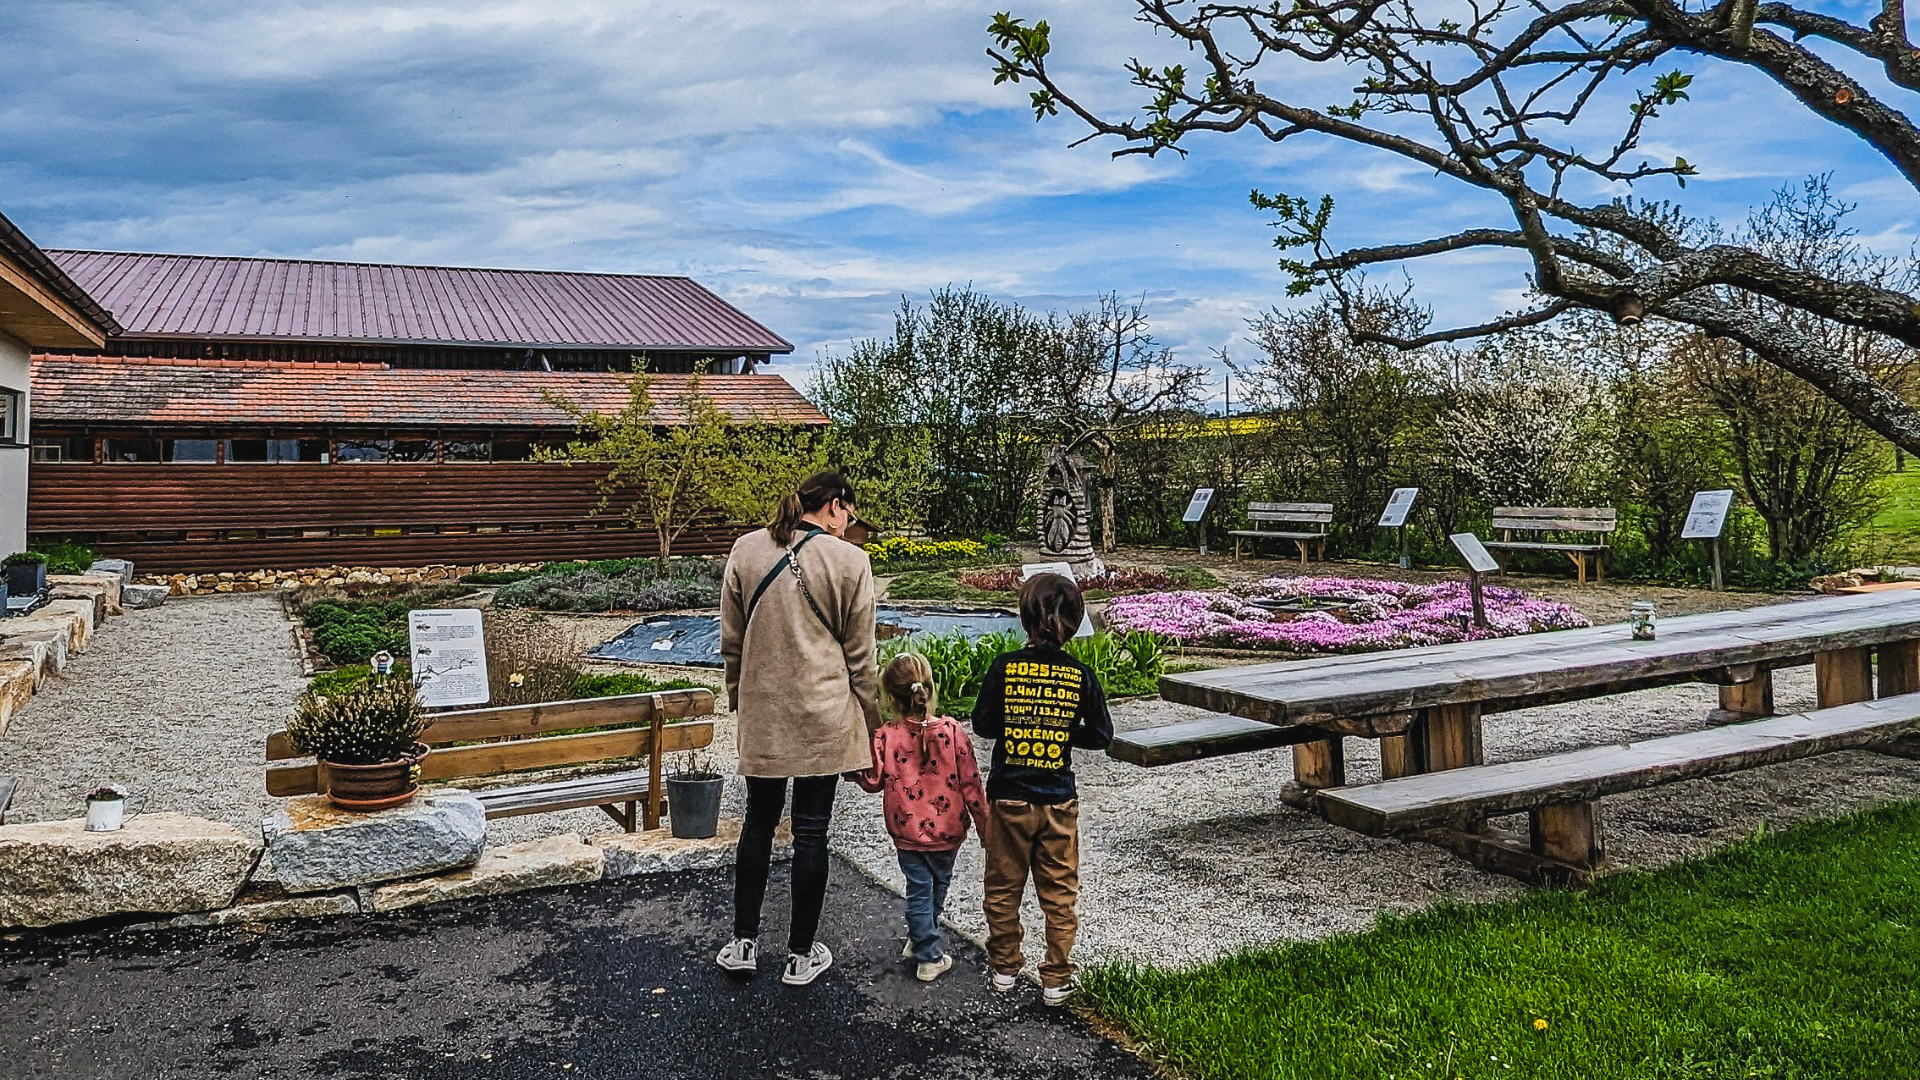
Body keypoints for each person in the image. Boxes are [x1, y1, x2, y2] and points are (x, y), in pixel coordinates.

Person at [715, 470, 879, 986]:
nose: (848, 524)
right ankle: (799, 956)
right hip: (824, 715)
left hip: (765, 714)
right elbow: (862, 659)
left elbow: (731, 640)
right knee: (812, 830)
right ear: (834, 505)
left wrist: (740, 699)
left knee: (757, 824)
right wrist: (873, 724)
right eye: (849, 514)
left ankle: (743, 943)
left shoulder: (745, 550)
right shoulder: (852, 562)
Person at [971, 572, 1113, 1006]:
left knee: (1003, 887)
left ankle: (1004, 968)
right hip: (1058, 801)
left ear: (1025, 619)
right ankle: (1055, 976)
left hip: (1010, 797)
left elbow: (983, 725)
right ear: (1074, 622)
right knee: (1060, 892)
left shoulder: (1006, 667)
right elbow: (1103, 735)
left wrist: (1021, 726)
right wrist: (1064, 734)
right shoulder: (1081, 675)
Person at [853, 652, 990, 983]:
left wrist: (856, 765)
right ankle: (928, 956)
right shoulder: (953, 731)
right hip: (948, 831)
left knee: (918, 888)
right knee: (937, 886)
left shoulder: (886, 736)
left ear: (890, 697)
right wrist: (986, 828)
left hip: (907, 830)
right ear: (929, 688)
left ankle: (920, 939)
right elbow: (972, 785)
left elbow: (872, 781)